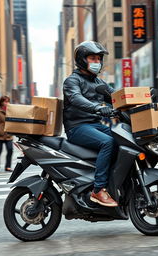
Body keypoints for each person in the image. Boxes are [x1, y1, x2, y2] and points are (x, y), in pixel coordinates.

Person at [63, 41, 118, 207]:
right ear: (82, 59)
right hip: (77, 127)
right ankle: (98, 189)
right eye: (92, 58)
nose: (96, 62)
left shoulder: (99, 83)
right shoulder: (72, 81)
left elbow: (116, 97)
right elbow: (75, 98)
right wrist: (99, 108)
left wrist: (140, 99)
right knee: (107, 142)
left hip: (95, 125)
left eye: (98, 59)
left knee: (123, 140)